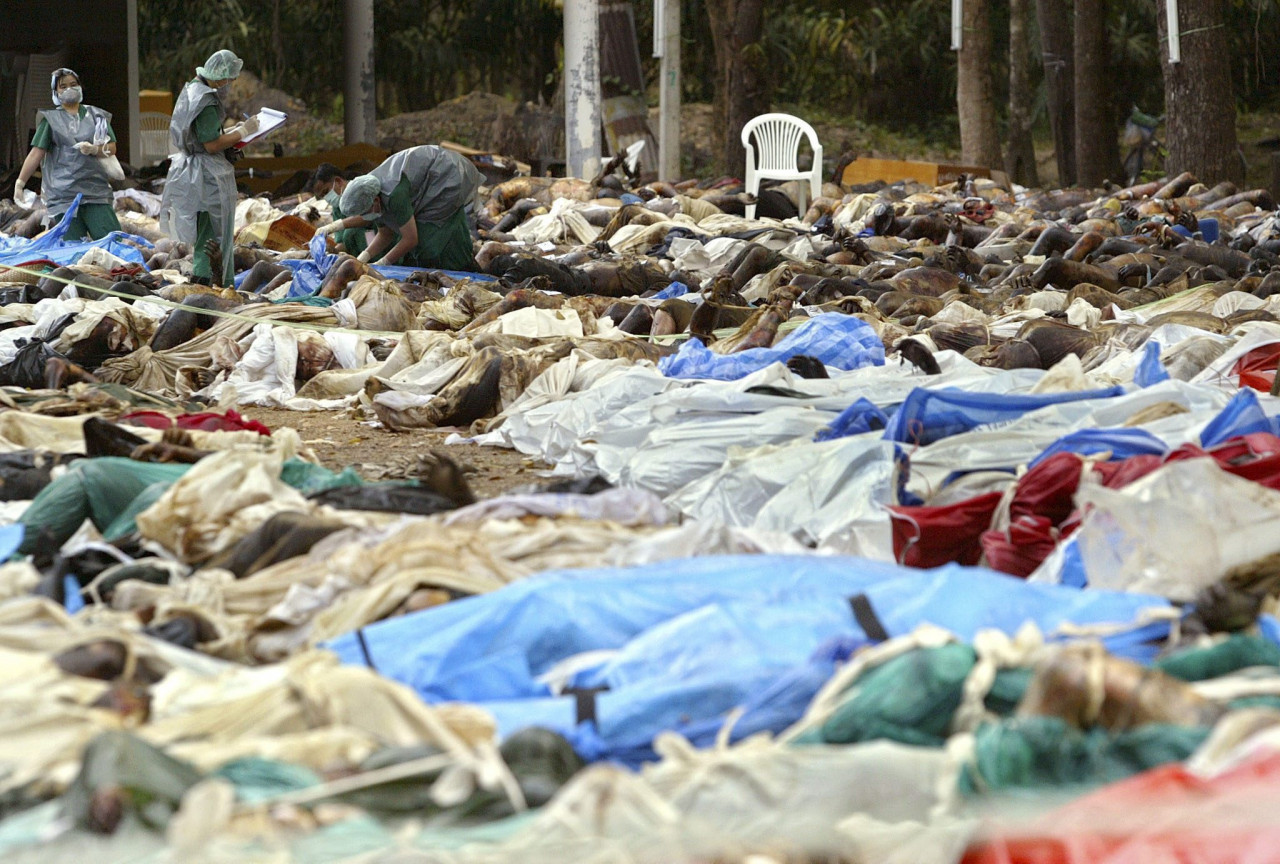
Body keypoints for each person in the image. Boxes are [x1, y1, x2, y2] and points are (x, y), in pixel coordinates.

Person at [158, 49, 259, 286]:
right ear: (219, 75)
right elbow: (211, 144)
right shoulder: (206, 100)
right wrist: (243, 132)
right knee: (213, 231)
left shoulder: (192, 89)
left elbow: (204, 135)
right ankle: (210, 279)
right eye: (229, 79)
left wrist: (233, 132)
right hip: (207, 172)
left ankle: (205, 276)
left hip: (194, 168)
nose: (229, 84)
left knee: (205, 228)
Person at [321, 145, 482, 271]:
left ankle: (462, 266)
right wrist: (364, 257)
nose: (364, 218)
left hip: (445, 174)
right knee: (423, 240)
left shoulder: (393, 195)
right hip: (424, 186)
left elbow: (411, 239)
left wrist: (383, 263)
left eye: (364, 213)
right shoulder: (372, 196)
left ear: (375, 201)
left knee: (427, 242)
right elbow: (385, 233)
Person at [13, 68, 122, 241]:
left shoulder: (97, 117)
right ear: (55, 92)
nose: (69, 89)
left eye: (73, 84)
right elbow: (36, 154)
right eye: (63, 86)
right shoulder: (51, 121)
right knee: (72, 248)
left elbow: (112, 147)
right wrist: (20, 183)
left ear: (80, 87)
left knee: (112, 242)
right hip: (64, 197)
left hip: (95, 193)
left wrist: (95, 149)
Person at [308, 162, 366, 256]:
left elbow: (368, 217)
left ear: (338, 181)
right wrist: (331, 251)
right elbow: (344, 243)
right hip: (366, 257)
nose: (326, 198)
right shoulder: (337, 208)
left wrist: (334, 226)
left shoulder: (363, 189)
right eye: (322, 196)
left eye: (326, 192)